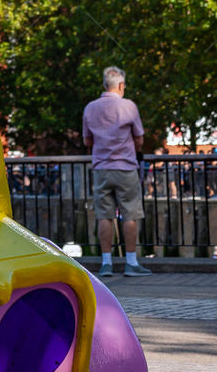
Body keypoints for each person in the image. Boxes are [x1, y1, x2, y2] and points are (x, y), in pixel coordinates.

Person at [82, 66, 151, 278]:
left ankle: (106, 263)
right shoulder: (128, 106)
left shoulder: (90, 108)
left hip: (102, 168)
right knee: (129, 214)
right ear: (120, 85)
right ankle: (131, 263)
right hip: (126, 167)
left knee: (104, 216)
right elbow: (139, 138)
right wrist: (135, 150)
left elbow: (87, 140)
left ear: (104, 85)